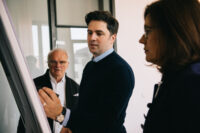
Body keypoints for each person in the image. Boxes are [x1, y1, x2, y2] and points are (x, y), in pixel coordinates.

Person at [39, 10, 135, 133]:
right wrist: (68, 126)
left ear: (113, 38)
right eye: (89, 32)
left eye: (99, 33)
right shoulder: (90, 66)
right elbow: (83, 108)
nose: (92, 38)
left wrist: (60, 114)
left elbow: (104, 123)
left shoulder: (121, 71)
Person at [139, 0, 200, 132]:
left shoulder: (192, 84)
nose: (142, 40)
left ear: (174, 32)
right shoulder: (175, 77)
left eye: (148, 31)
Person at [17, 48, 79, 133]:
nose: (58, 66)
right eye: (53, 62)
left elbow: (77, 117)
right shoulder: (33, 84)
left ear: (68, 64)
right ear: (48, 63)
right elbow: (25, 114)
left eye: (62, 62)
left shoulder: (77, 88)